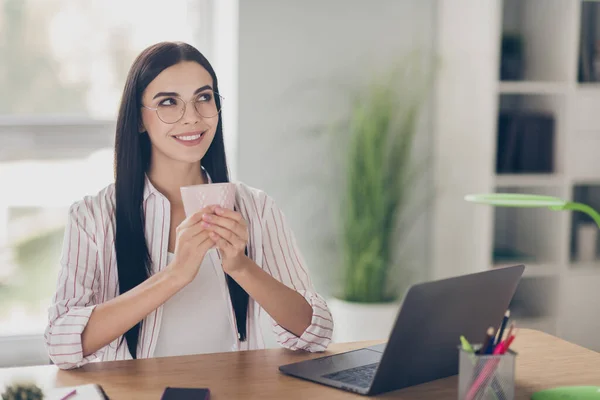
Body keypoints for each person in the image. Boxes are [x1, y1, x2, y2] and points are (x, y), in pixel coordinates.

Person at [44, 41, 333, 370]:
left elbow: (316, 334)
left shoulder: (257, 208)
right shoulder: (93, 217)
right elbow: (59, 343)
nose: (192, 117)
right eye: (168, 102)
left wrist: (241, 266)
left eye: (204, 97)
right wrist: (174, 275)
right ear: (139, 119)